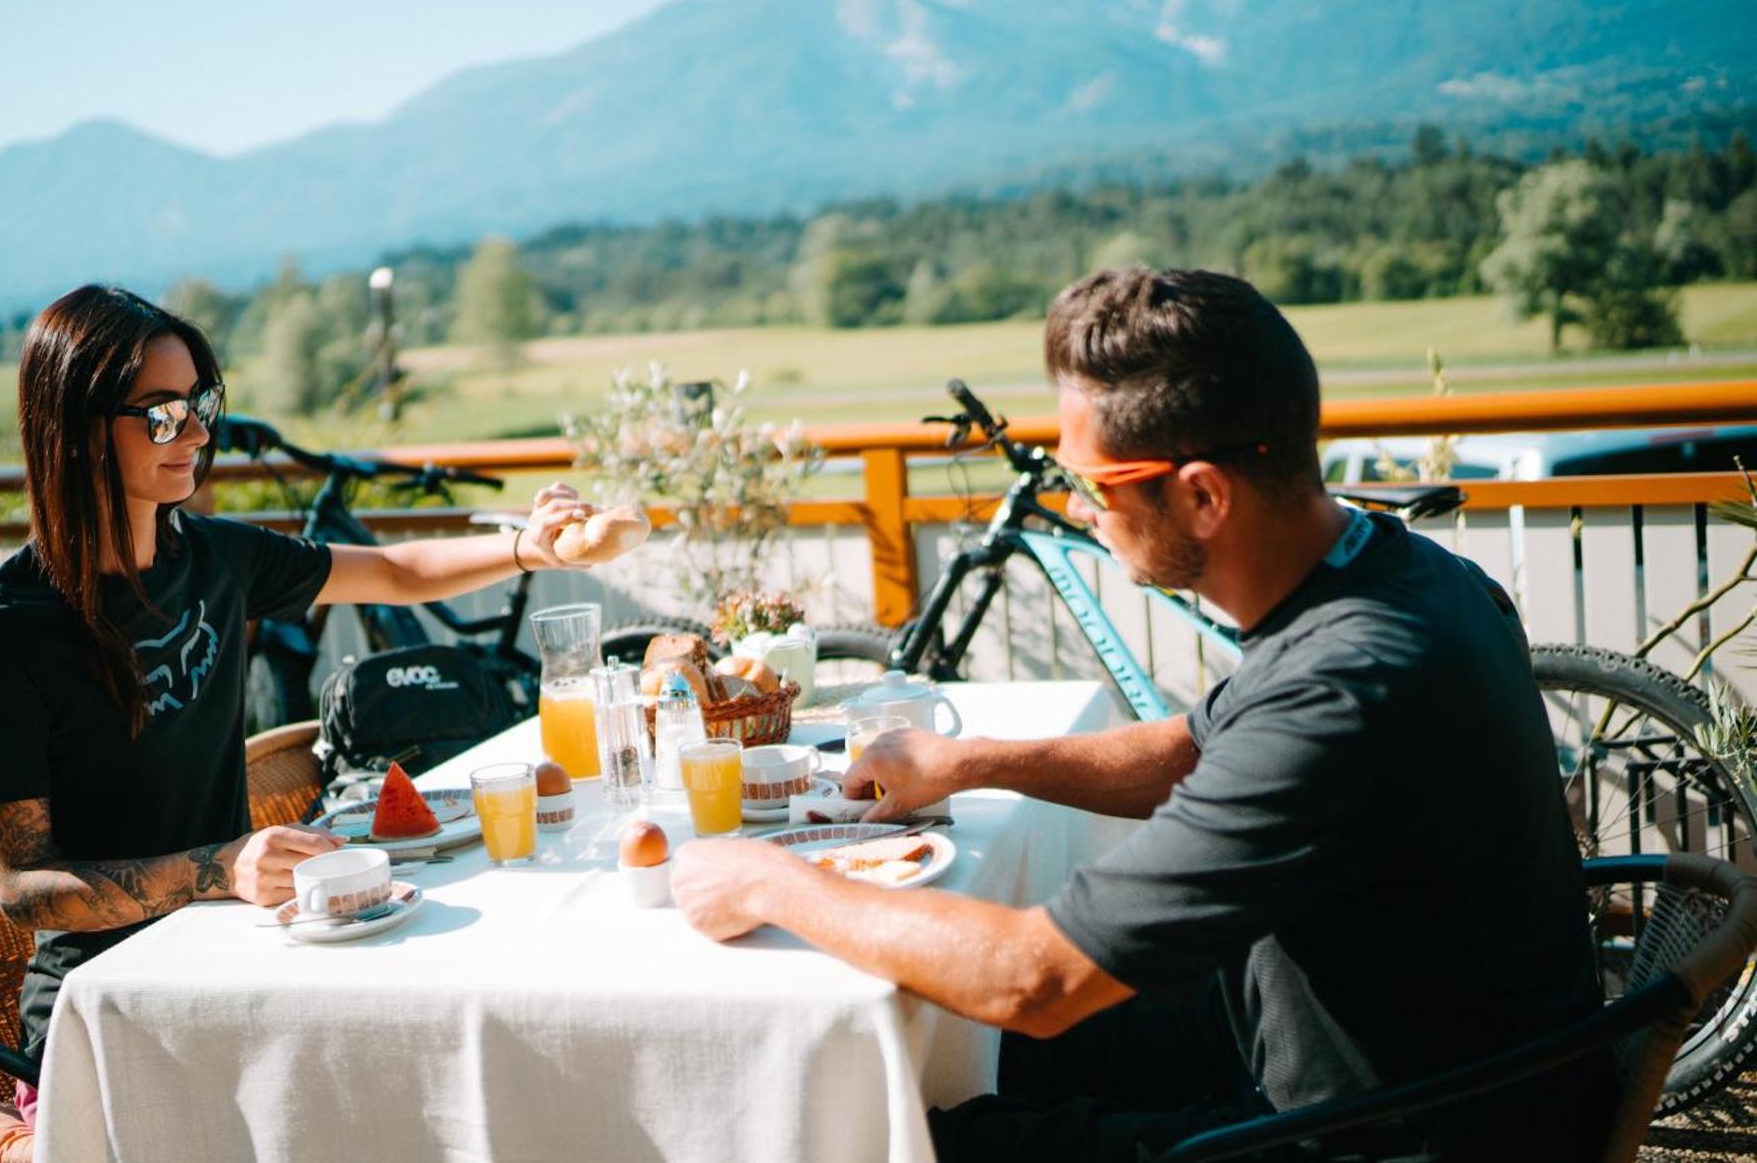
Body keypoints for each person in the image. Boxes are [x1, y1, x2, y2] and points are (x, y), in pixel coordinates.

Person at [673, 267, 1611, 1159]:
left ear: (1203, 493)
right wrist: (964, 761)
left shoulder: (1342, 685)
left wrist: (769, 883)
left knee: (919, 1139)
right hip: (1371, 1044)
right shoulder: (1397, 578)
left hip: (1402, 1128)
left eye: (1095, 487)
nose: (1082, 512)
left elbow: (1034, 978)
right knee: (969, 1052)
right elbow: (1194, 751)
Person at [0, 285, 613, 1126]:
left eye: (201, 404)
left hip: (236, 961)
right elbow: (22, 886)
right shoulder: (3, 633)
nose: (196, 433)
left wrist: (525, 546)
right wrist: (219, 869)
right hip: (102, 1018)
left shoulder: (216, 559)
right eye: (161, 415)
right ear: (78, 430)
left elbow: (396, 570)